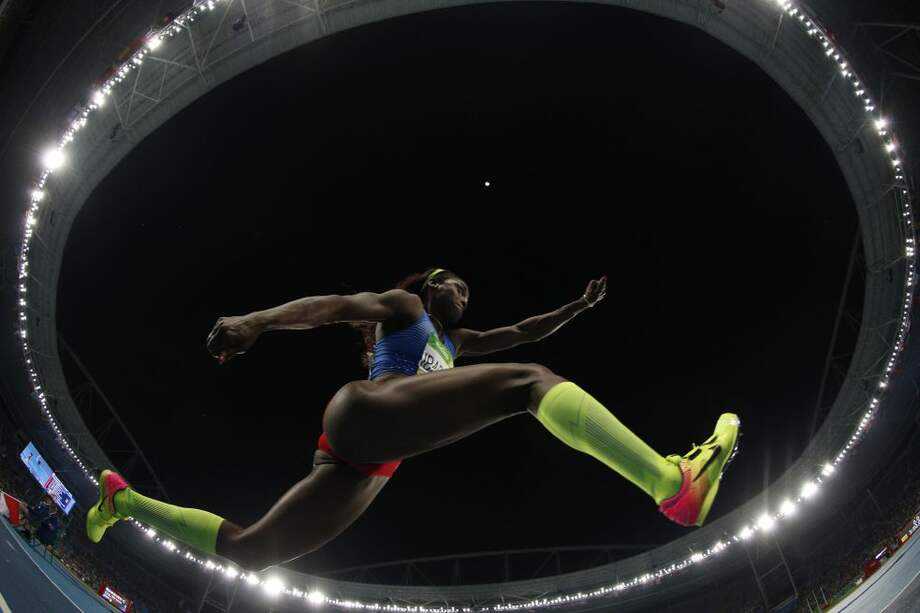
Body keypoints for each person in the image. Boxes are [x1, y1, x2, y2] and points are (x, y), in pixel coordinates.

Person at [88, 268, 739, 571]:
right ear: (431, 287)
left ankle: (124, 502)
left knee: (250, 550)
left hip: (364, 464)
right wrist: (256, 321)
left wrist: (576, 306)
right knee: (530, 384)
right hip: (363, 411)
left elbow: (523, 327)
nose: (465, 293)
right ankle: (670, 481)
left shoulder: (460, 344)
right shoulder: (405, 310)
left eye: (469, 293)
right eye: (456, 284)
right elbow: (336, 304)